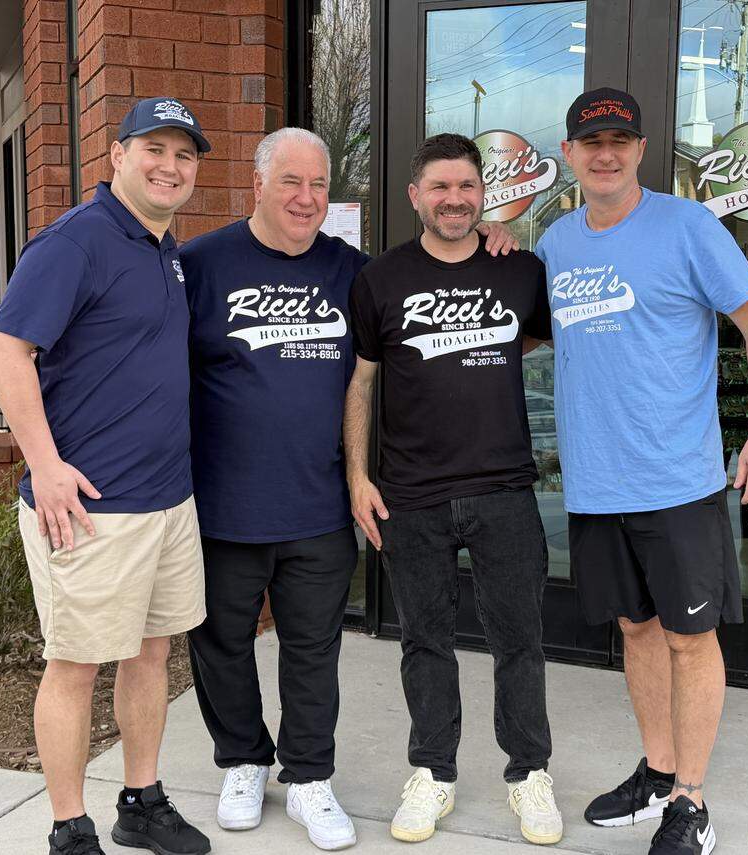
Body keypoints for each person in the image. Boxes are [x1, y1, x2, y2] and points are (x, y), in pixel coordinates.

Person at [181, 127, 516, 852]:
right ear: (258, 184)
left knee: (312, 646)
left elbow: (425, 309)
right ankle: (242, 759)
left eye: (318, 185)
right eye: (291, 183)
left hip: (321, 502)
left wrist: (489, 241)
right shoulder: (201, 264)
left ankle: (307, 776)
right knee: (220, 641)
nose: (306, 199)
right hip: (223, 503)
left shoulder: (355, 273)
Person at [535, 88, 748, 855]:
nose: (604, 153)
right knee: (636, 628)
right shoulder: (556, 243)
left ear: (641, 149)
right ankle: (657, 769)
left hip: (677, 479)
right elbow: (530, 338)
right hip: (596, 480)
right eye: (590, 141)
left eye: (619, 139)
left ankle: (692, 801)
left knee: (688, 636)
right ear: (570, 154)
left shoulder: (687, 227)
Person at [0, 98, 213, 855]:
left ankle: (141, 800)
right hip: (86, 507)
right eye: (154, 148)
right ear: (116, 155)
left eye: (184, 154)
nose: (169, 166)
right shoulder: (75, 242)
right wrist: (44, 468)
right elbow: (5, 350)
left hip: (165, 500)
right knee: (75, 664)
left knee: (151, 653)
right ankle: (69, 827)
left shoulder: (165, 250)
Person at [345, 133, 563, 847]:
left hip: (504, 488)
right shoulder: (380, 280)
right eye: (439, 187)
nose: (454, 199)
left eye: (467, 187)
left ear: (483, 194)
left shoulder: (521, 270)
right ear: (415, 196)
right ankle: (434, 772)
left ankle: (528, 773)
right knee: (425, 640)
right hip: (413, 494)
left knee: (519, 640)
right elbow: (363, 381)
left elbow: (524, 342)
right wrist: (357, 476)